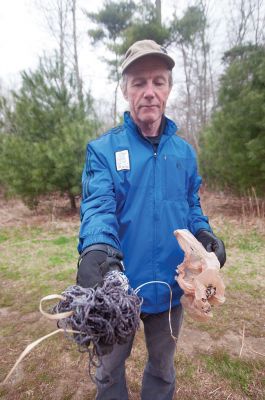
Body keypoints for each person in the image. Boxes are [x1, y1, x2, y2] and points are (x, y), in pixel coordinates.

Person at [77, 39, 226, 400]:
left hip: (171, 291)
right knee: (110, 372)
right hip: (120, 291)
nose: (148, 92)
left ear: (169, 89)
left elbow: (191, 205)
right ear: (125, 89)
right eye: (138, 82)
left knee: (162, 369)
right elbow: (98, 207)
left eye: (158, 81)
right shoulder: (104, 150)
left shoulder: (184, 153)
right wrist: (97, 248)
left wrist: (204, 233)